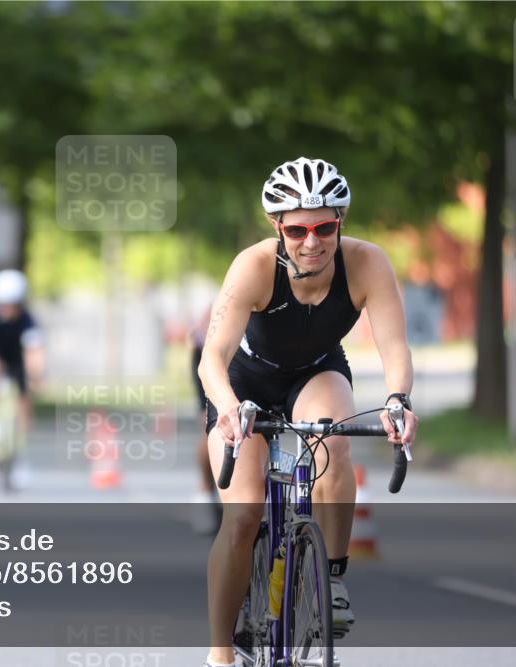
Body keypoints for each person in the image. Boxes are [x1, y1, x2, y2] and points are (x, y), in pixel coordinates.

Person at [197, 157, 419, 667]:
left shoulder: (367, 263)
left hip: (315, 372)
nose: (311, 241)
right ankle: (219, 652)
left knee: (332, 440)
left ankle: (331, 580)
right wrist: (228, 410)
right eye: (297, 229)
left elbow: (395, 348)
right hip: (245, 384)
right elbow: (212, 358)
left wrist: (397, 400)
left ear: (339, 221)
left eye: (324, 227)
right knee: (244, 512)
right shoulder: (253, 266)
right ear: (278, 227)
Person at [0, 269, 46, 490]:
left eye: (12, 305)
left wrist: (36, 376)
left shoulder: (27, 320)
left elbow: (35, 350)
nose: (7, 310)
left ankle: (20, 452)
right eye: (3, 304)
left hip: (17, 359)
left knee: (24, 399)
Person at [189, 305, 220, 534]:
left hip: (251, 362)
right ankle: (205, 489)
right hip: (208, 357)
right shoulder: (216, 306)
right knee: (210, 424)